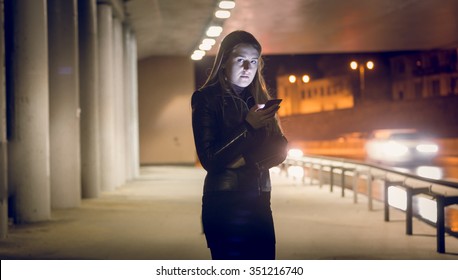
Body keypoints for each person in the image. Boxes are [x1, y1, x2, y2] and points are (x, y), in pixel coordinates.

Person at [191, 30, 288, 260]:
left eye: (253, 61)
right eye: (240, 60)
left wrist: (247, 160)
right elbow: (210, 160)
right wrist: (248, 126)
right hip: (225, 203)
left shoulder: (257, 97)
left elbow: (281, 148)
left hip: (260, 202)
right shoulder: (206, 98)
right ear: (224, 61)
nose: (247, 67)